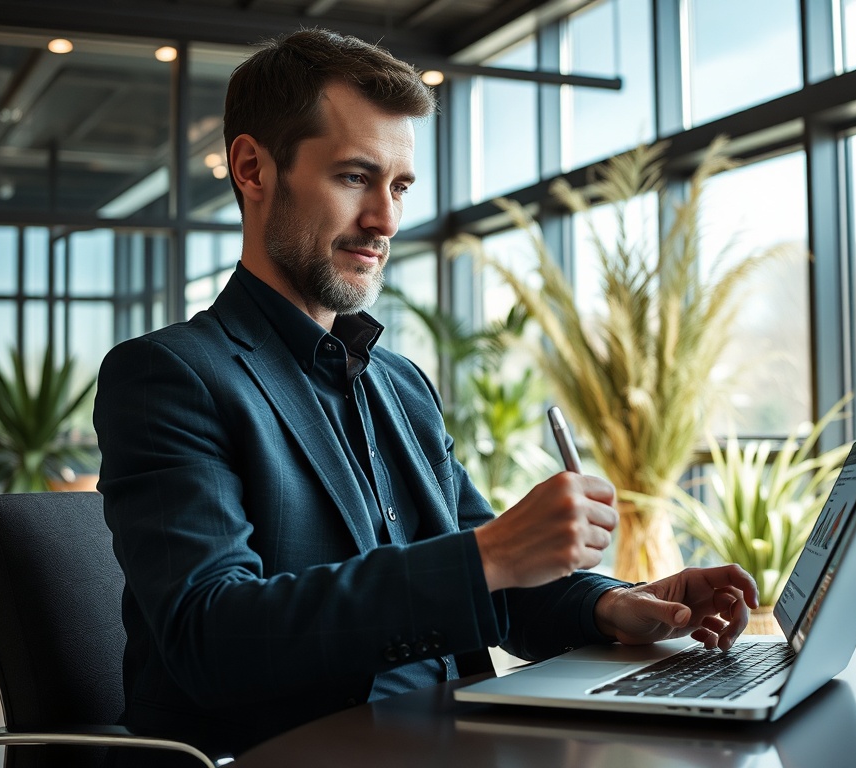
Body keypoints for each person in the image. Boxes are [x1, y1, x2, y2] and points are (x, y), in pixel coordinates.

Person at [93, 27, 759, 763]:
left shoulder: (399, 386)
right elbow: (209, 636)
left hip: (452, 739)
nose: (384, 219)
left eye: (399, 186)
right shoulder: (171, 376)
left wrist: (617, 604)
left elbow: (496, 587)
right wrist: (489, 555)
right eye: (353, 177)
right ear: (253, 168)